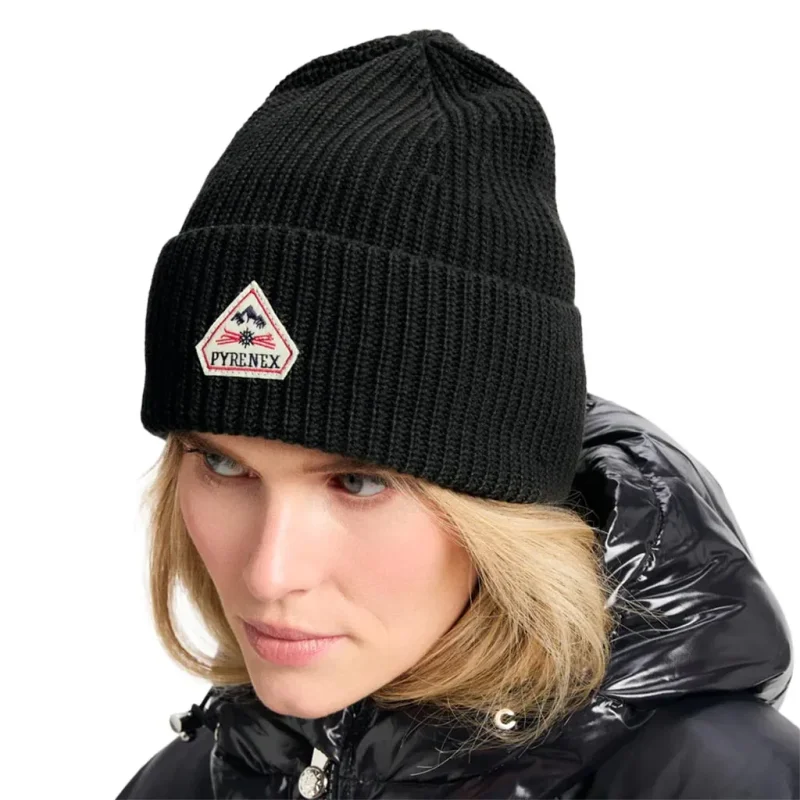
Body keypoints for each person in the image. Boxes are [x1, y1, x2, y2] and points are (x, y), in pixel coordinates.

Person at [117, 28, 799, 799]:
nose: (269, 573)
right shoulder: (195, 781)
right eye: (223, 463)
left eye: (359, 481)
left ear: (502, 509)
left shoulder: (720, 783)